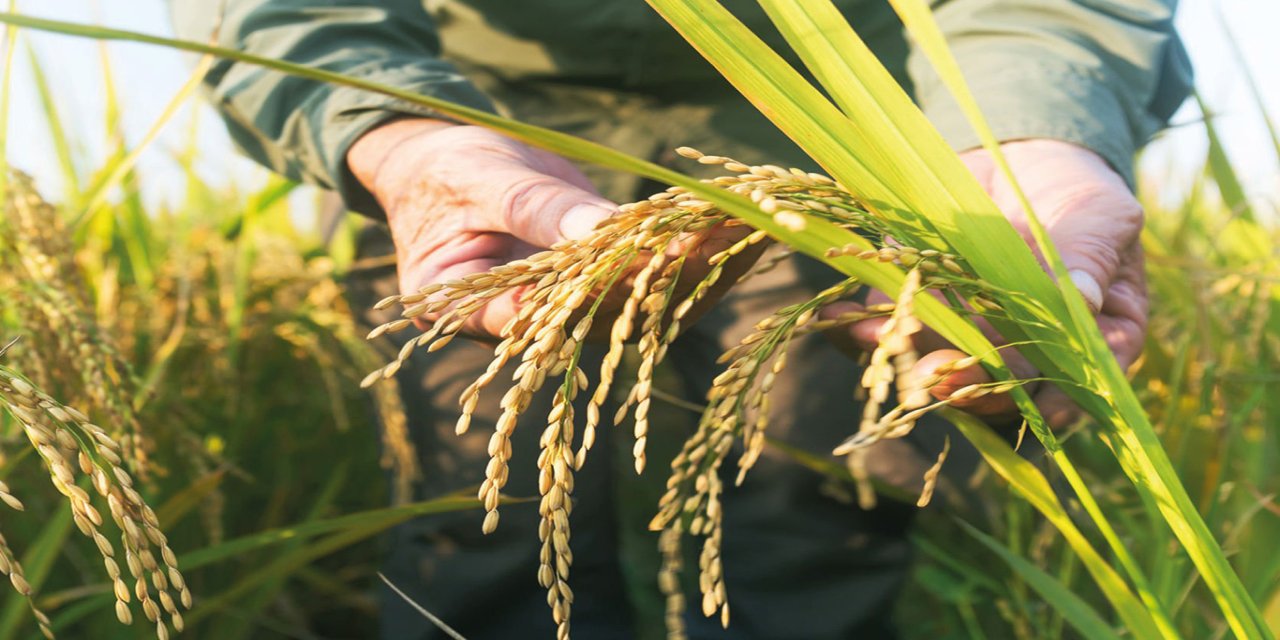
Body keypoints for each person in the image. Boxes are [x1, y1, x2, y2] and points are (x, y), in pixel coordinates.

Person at [172, 1, 1190, 637]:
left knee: (812, 500)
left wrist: (1031, 142)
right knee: (481, 505)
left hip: (826, 124)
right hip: (466, 113)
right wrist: (394, 133)